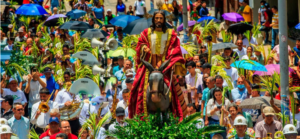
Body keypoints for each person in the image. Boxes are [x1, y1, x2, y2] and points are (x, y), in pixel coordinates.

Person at [129, 10, 185, 121]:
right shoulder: (146, 32)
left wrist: (169, 61)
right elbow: (139, 45)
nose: (158, 20)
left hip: (165, 66)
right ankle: (138, 116)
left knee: (173, 89)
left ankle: (175, 115)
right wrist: (144, 48)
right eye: (156, 18)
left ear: (164, 20)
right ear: (153, 20)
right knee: (137, 89)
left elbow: (175, 48)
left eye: (161, 18)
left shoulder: (171, 33)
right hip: (149, 66)